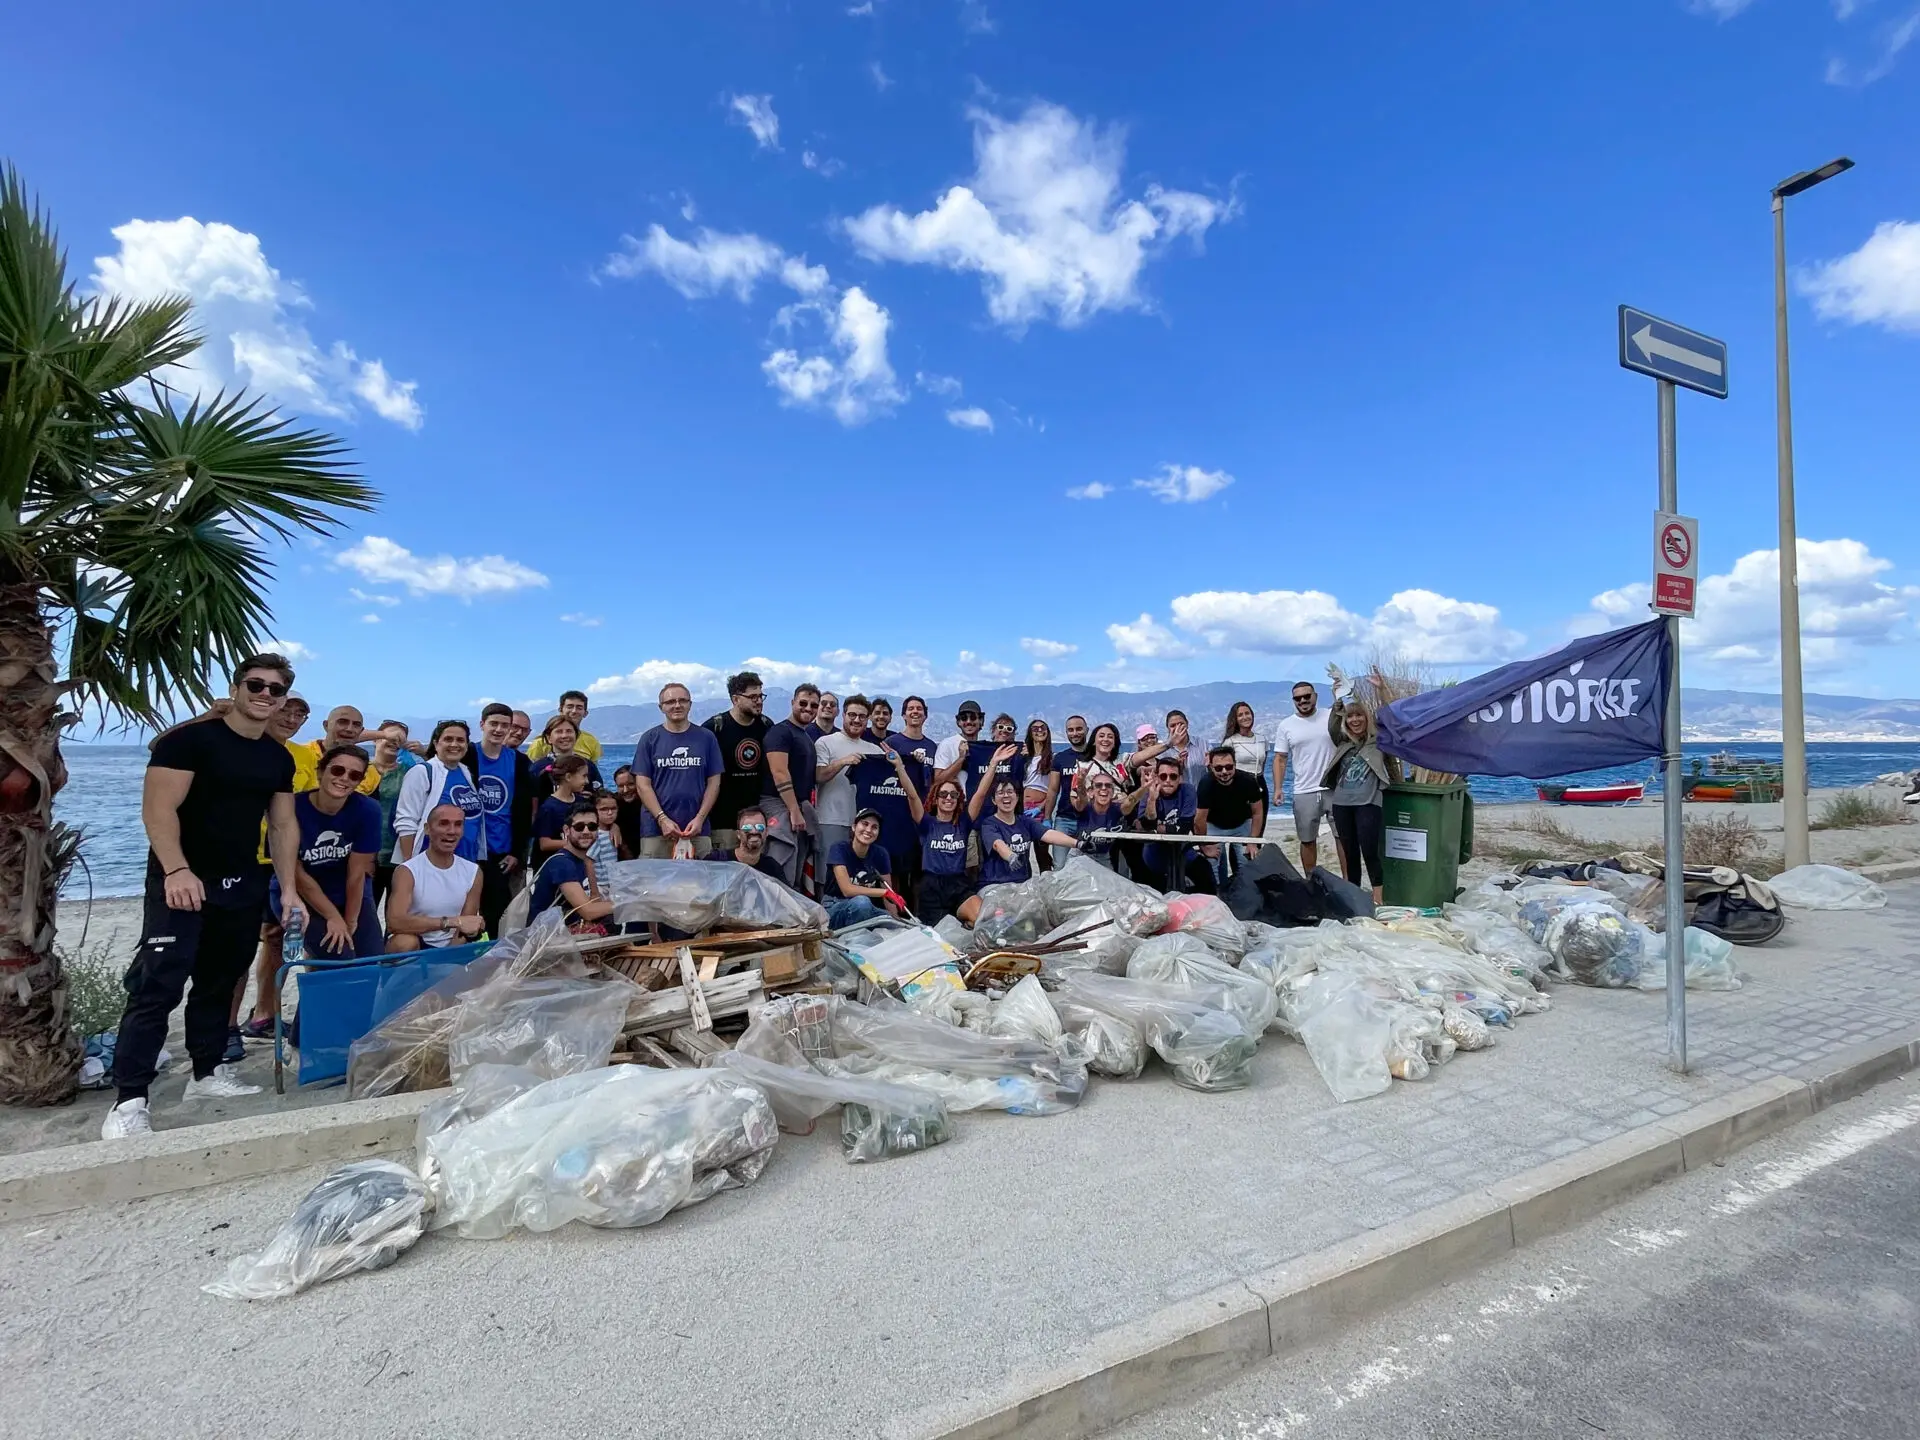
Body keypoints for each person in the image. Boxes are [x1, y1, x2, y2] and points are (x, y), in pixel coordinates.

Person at [102, 653, 302, 1139]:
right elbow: (158, 810)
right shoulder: (189, 741)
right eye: (256, 684)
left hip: (240, 885)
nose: (265, 695)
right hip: (181, 882)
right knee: (158, 989)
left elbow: (281, 824)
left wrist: (290, 889)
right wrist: (176, 869)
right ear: (236, 687)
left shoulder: (277, 756)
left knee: (218, 982)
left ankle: (206, 1074)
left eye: (275, 690)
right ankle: (129, 1101)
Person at [278, 742, 385, 961]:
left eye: (354, 775)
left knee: (371, 960)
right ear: (320, 771)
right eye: (337, 770)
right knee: (340, 956)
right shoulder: (293, 808)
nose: (344, 778)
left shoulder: (367, 810)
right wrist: (333, 916)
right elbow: (295, 872)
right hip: (301, 893)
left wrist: (351, 921)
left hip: (348, 891)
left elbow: (357, 873)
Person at [633, 681, 724, 857]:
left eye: (682, 700)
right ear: (661, 707)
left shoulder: (706, 738)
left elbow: (714, 783)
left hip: (697, 829)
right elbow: (642, 785)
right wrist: (662, 819)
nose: (677, 705)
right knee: (653, 883)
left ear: (690, 704)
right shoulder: (649, 739)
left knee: (699, 882)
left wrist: (700, 818)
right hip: (656, 831)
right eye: (670, 702)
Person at [1323, 702, 1402, 903]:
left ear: (1367, 718)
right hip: (1341, 804)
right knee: (1350, 854)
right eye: (1350, 717)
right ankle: (1355, 897)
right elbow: (1333, 726)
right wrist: (1337, 702)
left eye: (1359, 716)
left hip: (1368, 803)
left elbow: (1394, 725)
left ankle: (1378, 899)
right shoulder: (1343, 742)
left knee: (1370, 851)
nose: (1355, 720)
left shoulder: (1378, 742)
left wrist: (1382, 689)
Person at [472, 702, 534, 937]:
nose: (499, 729)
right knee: (461, 910)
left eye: (504, 725)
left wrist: (517, 852)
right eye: (493, 724)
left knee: (496, 912)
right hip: (466, 848)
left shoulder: (519, 762)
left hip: (500, 851)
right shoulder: (469, 753)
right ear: (482, 724)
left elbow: (524, 810)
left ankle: (491, 961)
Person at [386, 804, 484, 951]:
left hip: (450, 948)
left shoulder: (473, 871)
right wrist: (450, 922)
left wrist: (444, 961)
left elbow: (465, 927)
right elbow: (394, 922)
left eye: (458, 825)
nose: (451, 831)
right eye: (443, 824)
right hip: (416, 944)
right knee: (404, 942)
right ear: (427, 829)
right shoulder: (407, 871)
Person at [814, 694, 886, 879]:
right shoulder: (825, 742)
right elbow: (819, 775)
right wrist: (843, 762)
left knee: (859, 876)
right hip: (831, 819)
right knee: (827, 875)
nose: (856, 720)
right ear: (843, 715)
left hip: (864, 826)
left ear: (867, 719)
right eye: (852, 715)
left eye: (862, 716)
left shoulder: (875, 751)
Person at [972, 758, 1075, 887]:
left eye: (1010, 792)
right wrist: (1010, 856)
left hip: (1023, 884)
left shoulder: (1025, 821)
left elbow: (1049, 834)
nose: (1006, 796)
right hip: (995, 884)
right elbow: (998, 844)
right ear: (993, 800)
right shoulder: (989, 824)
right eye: (1000, 793)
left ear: (1017, 797)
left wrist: (1078, 843)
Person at [394, 720, 486, 864]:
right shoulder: (422, 772)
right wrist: (409, 865)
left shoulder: (466, 772)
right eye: (448, 739)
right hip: (431, 864)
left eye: (460, 740)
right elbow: (406, 821)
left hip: (466, 862)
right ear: (436, 744)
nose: (454, 744)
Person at [1273, 681, 1337, 875]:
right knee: (1307, 840)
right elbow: (1280, 759)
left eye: (1306, 696)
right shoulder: (1286, 725)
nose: (1303, 700)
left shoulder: (1330, 717)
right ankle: (1311, 882)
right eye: (1298, 698)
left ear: (1315, 696)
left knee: (1343, 838)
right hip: (1304, 790)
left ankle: (1349, 883)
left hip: (1333, 787)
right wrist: (1278, 789)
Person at [762, 684, 821, 891]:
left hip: (799, 807)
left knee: (797, 868)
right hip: (778, 804)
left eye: (814, 705)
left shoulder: (805, 736)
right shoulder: (780, 732)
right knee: (782, 861)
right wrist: (794, 810)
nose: (808, 708)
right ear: (792, 703)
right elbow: (779, 772)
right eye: (803, 703)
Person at [704, 670, 769, 852]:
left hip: (756, 823)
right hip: (723, 822)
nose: (759, 701)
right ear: (735, 699)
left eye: (761, 696)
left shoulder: (766, 726)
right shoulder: (714, 728)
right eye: (753, 697)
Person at [903, 775, 982, 923]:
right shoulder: (927, 823)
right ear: (936, 798)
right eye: (943, 794)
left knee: (982, 917)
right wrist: (899, 767)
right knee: (940, 935)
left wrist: (993, 764)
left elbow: (980, 794)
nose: (949, 798)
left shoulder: (963, 822)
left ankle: (967, 923)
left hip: (959, 883)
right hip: (932, 886)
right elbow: (912, 796)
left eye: (954, 795)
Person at [527, 800, 617, 930]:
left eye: (592, 827)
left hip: (567, 934)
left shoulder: (584, 860)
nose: (586, 831)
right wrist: (628, 903)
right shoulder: (562, 863)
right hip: (546, 939)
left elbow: (593, 903)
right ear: (567, 830)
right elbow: (588, 911)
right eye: (579, 827)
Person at [1194, 745, 1268, 888]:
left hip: (1241, 824)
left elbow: (1258, 812)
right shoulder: (1206, 784)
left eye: (1229, 767)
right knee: (1212, 862)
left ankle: (1246, 894)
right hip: (1214, 825)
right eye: (1218, 768)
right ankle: (1216, 896)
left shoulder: (1248, 780)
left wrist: (1253, 841)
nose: (1224, 772)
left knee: (1247, 861)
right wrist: (1204, 845)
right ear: (1211, 767)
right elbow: (1199, 819)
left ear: (1235, 765)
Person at [822, 807, 904, 929]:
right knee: (862, 902)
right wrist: (885, 893)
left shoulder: (880, 854)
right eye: (864, 824)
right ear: (854, 827)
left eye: (874, 827)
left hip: (866, 908)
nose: (869, 830)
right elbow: (847, 890)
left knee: (892, 924)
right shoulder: (839, 849)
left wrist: (896, 920)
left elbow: (888, 896)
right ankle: (851, 942)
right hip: (834, 906)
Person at [1132, 755, 1200, 892]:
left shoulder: (1188, 790)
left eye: (1173, 777)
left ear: (1180, 778)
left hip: (1183, 852)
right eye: (1163, 776)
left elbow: (1183, 828)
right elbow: (1144, 826)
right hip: (1153, 855)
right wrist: (1152, 801)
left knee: (1206, 878)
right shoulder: (1149, 791)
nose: (1168, 781)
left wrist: (1155, 828)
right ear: (1156, 777)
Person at [370, 723, 409, 911]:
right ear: (376, 738)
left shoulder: (409, 773)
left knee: (395, 912)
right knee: (364, 910)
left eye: (400, 741)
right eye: (390, 739)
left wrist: (424, 751)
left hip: (396, 854)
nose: (395, 743)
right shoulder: (358, 769)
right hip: (364, 853)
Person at [302, 705, 381, 795]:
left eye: (356, 725)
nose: (349, 729)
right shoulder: (299, 755)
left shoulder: (370, 772)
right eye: (342, 722)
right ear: (326, 725)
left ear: (361, 730)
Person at [701, 804, 790, 881]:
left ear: (766, 832)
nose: (754, 832)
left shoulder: (772, 868)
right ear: (738, 834)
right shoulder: (717, 860)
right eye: (747, 828)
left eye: (760, 827)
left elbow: (787, 896)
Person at [528, 716, 603, 806]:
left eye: (569, 731)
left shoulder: (588, 766)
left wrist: (592, 797)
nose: (564, 736)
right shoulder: (537, 768)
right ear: (549, 738)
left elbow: (600, 796)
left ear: (576, 736)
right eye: (559, 732)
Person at [1064, 766, 1129, 869]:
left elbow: (1131, 801)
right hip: (1080, 855)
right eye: (1098, 785)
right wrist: (1080, 783)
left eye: (1108, 786)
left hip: (1103, 857)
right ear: (1091, 792)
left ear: (1112, 792)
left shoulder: (1117, 809)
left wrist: (1145, 787)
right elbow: (1081, 798)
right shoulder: (1085, 807)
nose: (1103, 788)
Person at [1048, 714, 1090, 867]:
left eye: (1079, 729)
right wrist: (1047, 817)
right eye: (1070, 730)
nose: (1075, 733)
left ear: (1087, 730)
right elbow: (1053, 790)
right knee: (1059, 865)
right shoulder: (1060, 758)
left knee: (1087, 866)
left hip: (1089, 819)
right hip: (1064, 819)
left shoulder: (1095, 755)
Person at [533, 755, 595, 856]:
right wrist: (577, 842)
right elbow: (544, 844)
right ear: (568, 777)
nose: (587, 781)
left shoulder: (582, 802)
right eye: (584, 776)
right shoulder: (549, 808)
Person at [527, 689, 603, 763]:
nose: (574, 711)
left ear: (585, 713)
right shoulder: (541, 742)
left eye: (579, 708)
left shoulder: (592, 742)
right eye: (570, 707)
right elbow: (531, 771)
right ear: (560, 710)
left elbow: (592, 772)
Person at [1222, 701, 1270, 809]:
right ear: (1235, 719)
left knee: (1260, 822)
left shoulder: (1262, 739)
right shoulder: (1230, 742)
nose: (1245, 717)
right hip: (1239, 784)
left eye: (1247, 713)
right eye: (1240, 715)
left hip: (1259, 784)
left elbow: (1262, 764)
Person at [588, 787, 627, 875]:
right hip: (600, 883)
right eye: (604, 809)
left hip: (614, 880)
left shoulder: (617, 830)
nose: (610, 813)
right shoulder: (594, 835)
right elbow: (588, 862)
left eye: (613, 808)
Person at [612, 764, 645, 857]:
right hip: (624, 854)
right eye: (621, 786)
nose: (625, 790)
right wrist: (612, 825)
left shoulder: (650, 803)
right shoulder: (614, 803)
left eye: (630, 784)